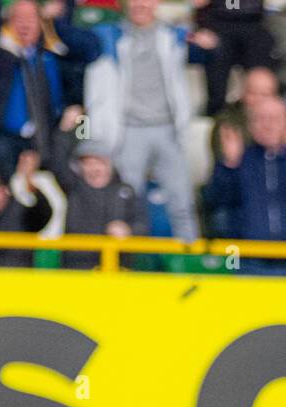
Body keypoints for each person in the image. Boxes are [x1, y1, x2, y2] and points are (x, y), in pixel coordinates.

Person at [84, 0, 198, 239]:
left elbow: (211, 46)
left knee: (181, 201)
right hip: (129, 129)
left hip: (168, 128)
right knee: (127, 204)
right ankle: (132, 264)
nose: (140, 5)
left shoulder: (173, 36)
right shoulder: (111, 36)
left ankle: (190, 262)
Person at [0, 0, 99, 181]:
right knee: (0, 157)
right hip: (6, 139)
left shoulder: (53, 58)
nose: (24, 24)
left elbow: (91, 51)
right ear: (7, 23)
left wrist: (57, 20)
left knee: (77, 141)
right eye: (18, 18)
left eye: (31, 19)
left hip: (46, 136)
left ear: (41, 22)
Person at [204, 96, 286, 271]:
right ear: (250, 125)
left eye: (275, 119)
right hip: (246, 261)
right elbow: (216, 201)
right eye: (260, 119)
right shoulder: (239, 160)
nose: (268, 125)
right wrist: (230, 165)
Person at [55, 129, 145, 268]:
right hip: (78, 267)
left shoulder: (125, 191)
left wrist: (128, 230)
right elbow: (56, 161)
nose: (94, 168)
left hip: (117, 268)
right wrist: (65, 131)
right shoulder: (73, 187)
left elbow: (143, 225)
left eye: (99, 162)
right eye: (88, 163)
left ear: (110, 164)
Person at [189, 0, 275, 118]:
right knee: (216, 51)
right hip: (217, 25)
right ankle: (217, 117)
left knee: (262, 51)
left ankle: (262, 115)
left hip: (254, 22)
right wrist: (200, 29)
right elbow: (199, 4)